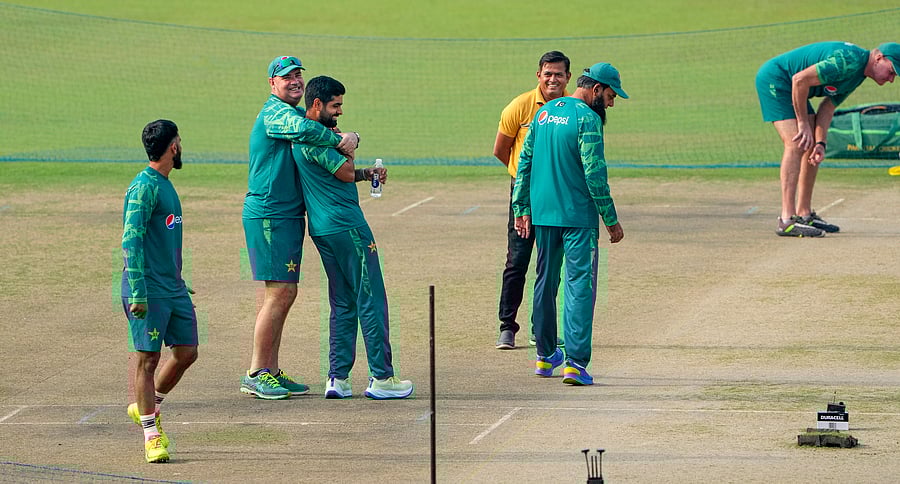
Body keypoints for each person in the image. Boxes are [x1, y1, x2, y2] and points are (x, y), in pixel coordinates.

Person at [241, 55, 360, 400]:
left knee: (286, 292)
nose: (294, 80)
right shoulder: (275, 113)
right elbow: (303, 130)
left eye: (298, 75)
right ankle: (256, 372)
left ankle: (271, 370)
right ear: (272, 83)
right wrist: (339, 139)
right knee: (278, 292)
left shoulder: (292, 113)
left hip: (287, 215)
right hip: (269, 214)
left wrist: (345, 137)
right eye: (286, 76)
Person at [292, 75, 413, 400]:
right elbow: (344, 172)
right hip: (347, 226)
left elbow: (338, 175)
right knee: (371, 298)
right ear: (317, 104)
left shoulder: (307, 135)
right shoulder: (318, 138)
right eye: (336, 105)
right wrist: (350, 142)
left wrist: (365, 173)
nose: (340, 111)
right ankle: (382, 378)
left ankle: (338, 378)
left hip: (322, 229)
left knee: (343, 301)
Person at [512, 63, 627, 386]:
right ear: (596, 89)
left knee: (545, 282)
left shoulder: (544, 114)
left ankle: (545, 355)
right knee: (579, 286)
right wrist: (611, 219)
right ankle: (575, 362)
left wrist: (521, 206)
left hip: (543, 214)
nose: (611, 104)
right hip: (578, 218)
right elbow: (594, 172)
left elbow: (524, 162)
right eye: (610, 96)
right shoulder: (587, 119)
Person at [755, 42, 899, 237]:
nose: (891, 79)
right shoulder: (848, 61)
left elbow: (828, 107)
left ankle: (804, 214)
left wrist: (820, 142)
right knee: (796, 142)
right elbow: (799, 80)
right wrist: (802, 123)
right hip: (776, 79)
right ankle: (787, 220)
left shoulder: (858, 75)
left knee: (811, 144)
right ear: (879, 58)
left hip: (795, 87)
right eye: (891, 71)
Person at [122, 119, 198, 463]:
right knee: (148, 359)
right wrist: (138, 291)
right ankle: (151, 435)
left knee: (187, 352)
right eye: (179, 141)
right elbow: (131, 240)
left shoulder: (165, 185)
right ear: (174, 147)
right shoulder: (144, 187)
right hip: (148, 290)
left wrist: (177, 280)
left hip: (172, 287)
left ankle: (146, 407)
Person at [493, 51, 572, 350]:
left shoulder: (573, 108)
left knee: (549, 264)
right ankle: (507, 327)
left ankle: (541, 329)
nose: (553, 79)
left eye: (559, 74)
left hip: (557, 194)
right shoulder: (520, 106)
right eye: (548, 73)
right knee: (517, 260)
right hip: (524, 193)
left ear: (567, 77)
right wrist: (523, 179)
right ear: (538, 75)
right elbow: (501, 150)